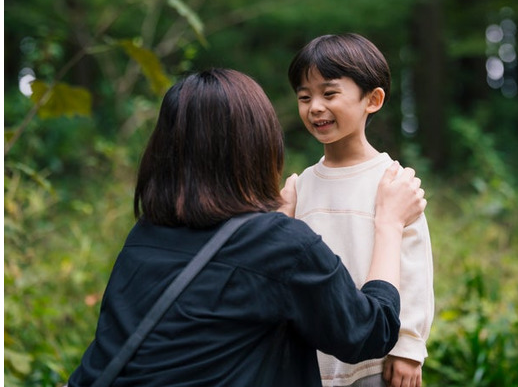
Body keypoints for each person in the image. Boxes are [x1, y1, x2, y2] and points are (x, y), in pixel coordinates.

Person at [67, 68, 427, 387]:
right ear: (256, 143)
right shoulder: (280, 245)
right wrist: (390, 223)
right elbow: (368, 333)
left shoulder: (145, 236)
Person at [288, 33, 434, 387]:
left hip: (374, 362)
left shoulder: (392, 182)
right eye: (304, 97)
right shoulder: (301, 186)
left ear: (373, 99)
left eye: (329, 93)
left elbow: (415, 268)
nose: (315, 107)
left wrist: (408, 347)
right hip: (311, 360)